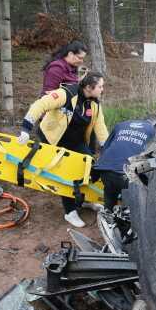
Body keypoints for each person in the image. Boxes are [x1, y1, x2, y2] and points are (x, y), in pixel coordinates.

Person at [18, 72, 109, 227]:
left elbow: (100, 128)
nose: (102, 89)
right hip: (54, 139)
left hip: (76, 140)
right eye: (100, 86)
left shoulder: (94, 104)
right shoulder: (65, 94)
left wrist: (109, 149)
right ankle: (70, 211)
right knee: (67, 173)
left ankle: (85, 199)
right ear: (89, 87)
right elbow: (40, 105)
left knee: (89, 166)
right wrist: (26, 129)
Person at [93, 119, 155, 212]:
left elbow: (105, 148)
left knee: (110, 191)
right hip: (127, 176)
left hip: (105, 171)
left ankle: (108, 217)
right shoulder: (154, 132)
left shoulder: (121, 125)